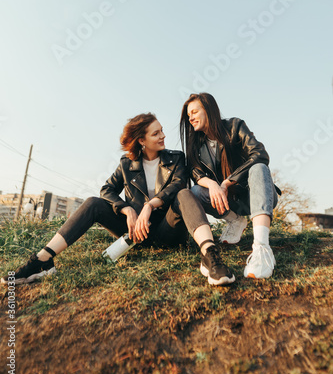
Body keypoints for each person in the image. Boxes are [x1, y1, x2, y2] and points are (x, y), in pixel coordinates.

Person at [2, 113, 235, 287]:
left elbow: (177, 186)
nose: (163, 135)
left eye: (162, 130)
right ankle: (43, 259)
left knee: (185, 193)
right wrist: (126, 210)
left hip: (168, 230)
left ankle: (210, 255)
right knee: (93, 202)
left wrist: (149, 206)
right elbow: (107, 189)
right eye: (156, 133)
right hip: (134, 234)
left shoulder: (176, 159)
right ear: (141, 140)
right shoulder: (126, 164)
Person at [180, 93, 281, 280]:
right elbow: (194, 171)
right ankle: (235, 220)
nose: (191, 118)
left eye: (194, 112)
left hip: (255, 196)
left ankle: (261, 248)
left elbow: (260, 154)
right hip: (228, 202)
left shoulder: (235, 126)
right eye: (188, 115)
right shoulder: (197, 143)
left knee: (259, 166)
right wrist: (212, 184)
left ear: (209, 110)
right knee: (195, 191)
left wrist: (227, 182)